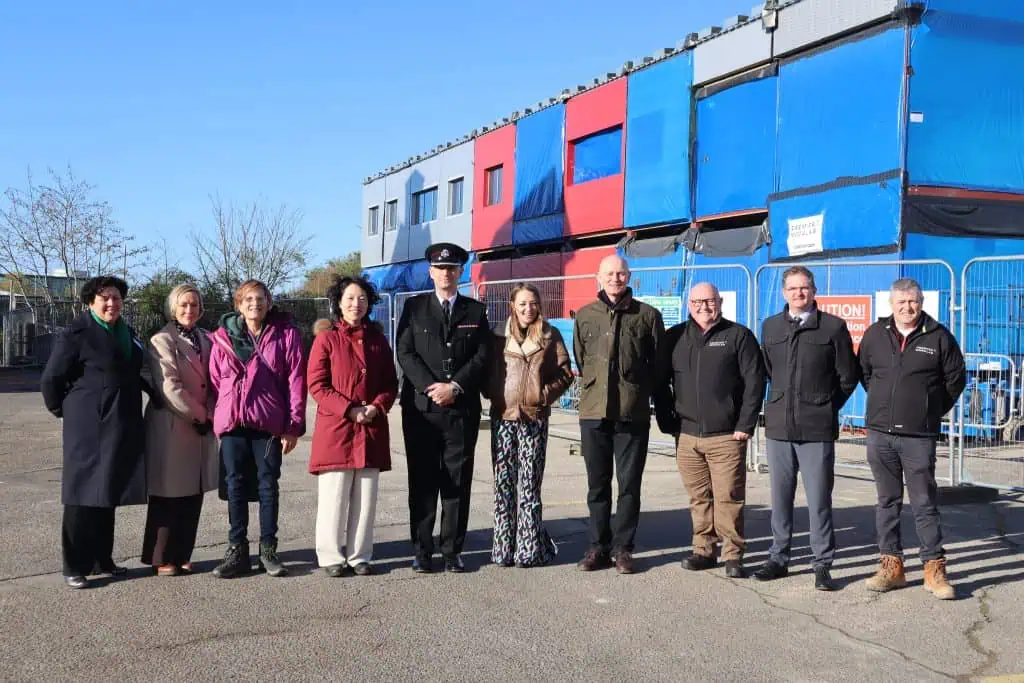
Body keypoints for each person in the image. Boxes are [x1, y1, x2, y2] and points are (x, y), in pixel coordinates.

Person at [41, 275, 160, 589]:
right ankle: (74, 565)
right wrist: (63, 411)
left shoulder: (128, 334)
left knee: (107, 492)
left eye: (117, 298)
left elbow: (143, 372)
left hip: (120, 423)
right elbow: (52, 379)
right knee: (81, 495)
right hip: (88, 426)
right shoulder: (76, 334)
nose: (112, 304)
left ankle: (101, 560)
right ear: (91, 302)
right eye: (105, 298)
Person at [858, 278, 966, 600]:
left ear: (921, 302)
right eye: (901, 302)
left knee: (924, 503)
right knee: (887, 502)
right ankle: (892, 567)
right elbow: (866, 374)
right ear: (891, 304)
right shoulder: (875, 335)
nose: (908, 307)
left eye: (913, 301)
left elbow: (955, 379)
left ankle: (934, 570)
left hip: (919, 437)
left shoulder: (938, 336)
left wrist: (929, 410)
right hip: (880, 435)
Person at [753, 267, 859, 591]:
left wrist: (826, 406)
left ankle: (822, 564)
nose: (799, 293)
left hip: (817, 429)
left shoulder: (833, 328)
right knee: (780, 499)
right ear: (784, 292)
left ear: (814, 291)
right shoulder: (770, 327)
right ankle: (779, 557)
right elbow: (768, 371)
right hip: (780, 429)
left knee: (819, 500)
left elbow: (848, 377)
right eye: (793, 288)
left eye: (805, 288)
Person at [655, 282, 765, 579]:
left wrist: (745, 425)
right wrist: (667, 421)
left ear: (720, 301)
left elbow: (755, 383)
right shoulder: (675, 337)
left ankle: (733, 555)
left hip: (727, 435)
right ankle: (703, 549)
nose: (704, 306)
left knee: (728, 497)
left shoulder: (738, 336)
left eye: (710, 301)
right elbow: (660, 382)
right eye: (697, 302)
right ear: (689, 305)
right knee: (699, 497)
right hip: (687, 436)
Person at [396, 242, 490, 573]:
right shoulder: (414, 308)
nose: (446, 273)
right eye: (440, 268)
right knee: (422, 481)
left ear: (460, 272)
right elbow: (405, 352)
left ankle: (452, 550)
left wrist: (455, 386)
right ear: (430, 271)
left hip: (460, 408)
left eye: (452, 269)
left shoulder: (476, 311)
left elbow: (482, 356)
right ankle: (422, 550)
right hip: (422, 409)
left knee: (457, 480)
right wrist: (430, 387)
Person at [208, 279, 307, 579]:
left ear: (269, 302)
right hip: (234, 424)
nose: (255, 304)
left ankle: (268, 549)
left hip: (267, 424)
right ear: (238, 304)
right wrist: (225, 410)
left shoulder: (285, 335)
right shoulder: (223, 337)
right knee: (235, 486)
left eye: (261, 298)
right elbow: (215, 379)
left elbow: (295, 381)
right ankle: (237, 549)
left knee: (267, 487)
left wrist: (293, 426)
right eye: (249, 299)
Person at [573, 255, 665, 574]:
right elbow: (582, 358)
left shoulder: (648, 316)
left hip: (631, 414)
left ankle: (623, 549)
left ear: (629, 277)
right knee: (597, 484)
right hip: (594, 414)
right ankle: (597, 547)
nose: (615, 279)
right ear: (598, 277)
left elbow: (657, 365)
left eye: (621, 273)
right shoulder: (585, 316)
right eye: (609, 273)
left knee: (629, 485)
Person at [307, 276, 398, 577]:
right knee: (334, 498)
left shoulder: (378, 339)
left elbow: (389, 382)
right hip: (337, 429)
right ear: (338, 302)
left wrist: (377, 406)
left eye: (361, 298)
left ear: (369, 303)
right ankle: (331, 556)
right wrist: (349, 409)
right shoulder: (326, 339)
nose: (355, 304)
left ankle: (360, 555)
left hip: (371, 427)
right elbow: (317, 385)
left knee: (366, 497)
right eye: (349, 298)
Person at [483, 283, 574, 567]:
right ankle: (502, 549)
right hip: (503, 418)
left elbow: (565, 372)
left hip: (534, 419)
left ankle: (529, 550)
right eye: (522, 303)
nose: (528, 309)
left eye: (533, 303)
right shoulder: (498, 336)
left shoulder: (550, 335)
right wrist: (494, 392)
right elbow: (485, 369)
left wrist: (544, 395)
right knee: (503, 484)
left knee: (530, 487)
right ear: (513, 305)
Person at [142, 283, 219, 576]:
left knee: (192, 492)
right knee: (168, 494)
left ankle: (183, 552)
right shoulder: (162, 340)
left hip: (201, 425)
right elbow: (169, 387)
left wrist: (212, 412)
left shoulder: (207, 338)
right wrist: (201, 415)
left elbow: (216, 380)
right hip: (173, 425)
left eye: (195, 305)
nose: (189, 310)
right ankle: (161, 556)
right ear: (173, 307)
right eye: (183, 305)